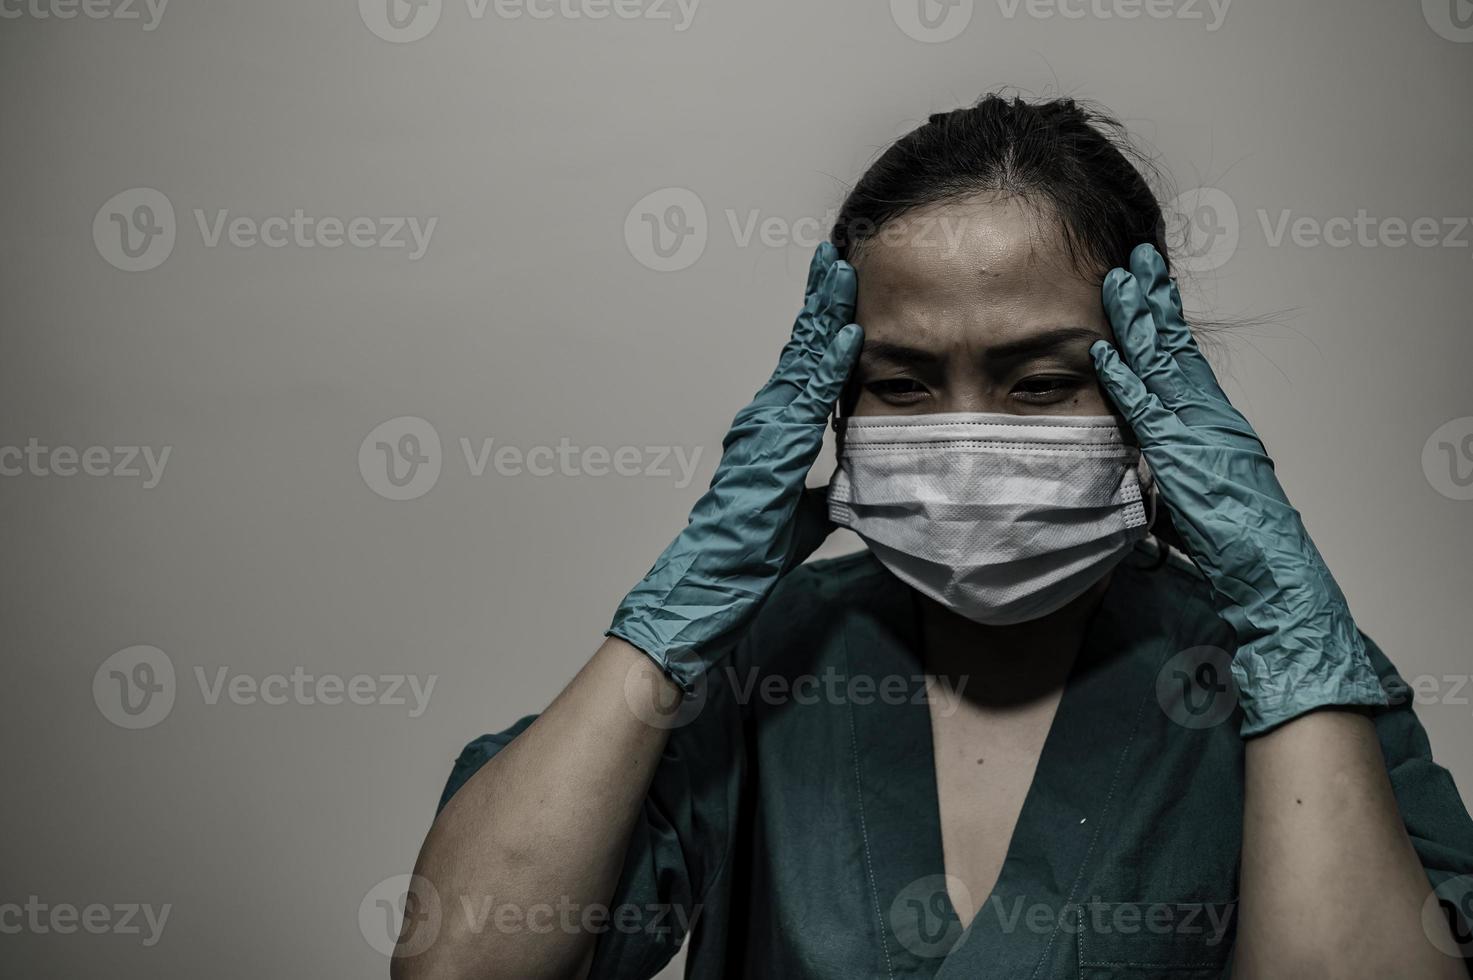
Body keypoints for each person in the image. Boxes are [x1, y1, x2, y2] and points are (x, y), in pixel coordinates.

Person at [394, 95, 1473, 979]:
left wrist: (1283, 613)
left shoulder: (1294, 678)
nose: (967, 446)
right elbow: (458, 964)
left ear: (1160, 403)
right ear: (831, 405)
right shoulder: (761, 663)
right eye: (902, 385)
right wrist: (679, 609)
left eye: (1042, 383)